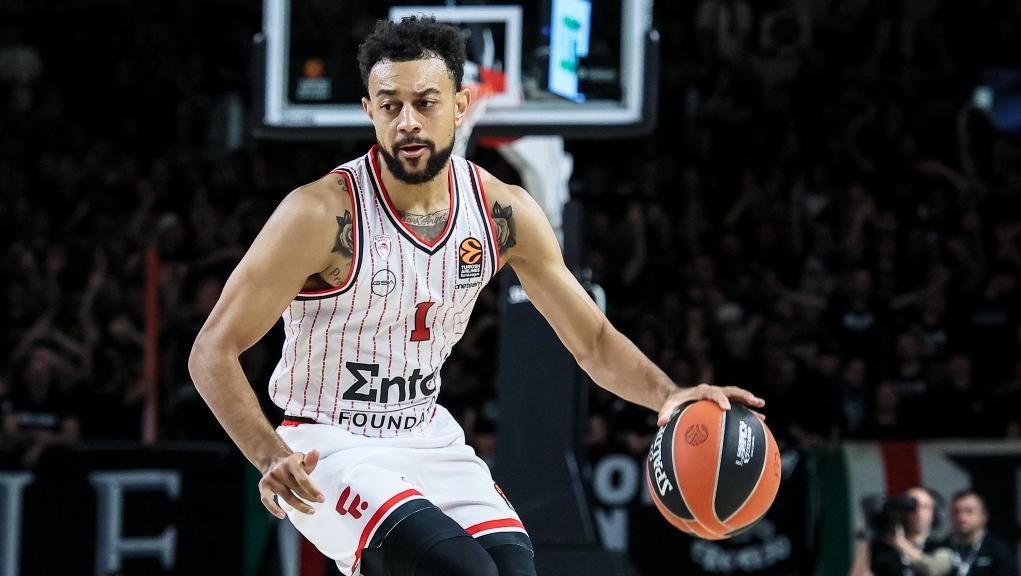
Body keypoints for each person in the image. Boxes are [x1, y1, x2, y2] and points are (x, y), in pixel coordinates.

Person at [188, 16, 765, 576]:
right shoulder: (318, 214)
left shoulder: (501, 211)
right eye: (390, 106)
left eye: (426, 102)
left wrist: (669, 396)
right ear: (369, 111)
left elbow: (591, 340)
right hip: (327, 447)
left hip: (427, 435)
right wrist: (268, 454)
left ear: (462, 106)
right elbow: (211, 350)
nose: (407, 122)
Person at [856, 486, 954, 576]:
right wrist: (868, 536)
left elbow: (933, 569)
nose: (918, 512)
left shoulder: (941, 546)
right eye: (911, 507)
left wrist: (899, 543)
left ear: (934, 513)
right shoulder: (882, 549)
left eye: (925, 507)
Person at [942, 491, 1017, 576]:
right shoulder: (941, 547)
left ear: (984, 516)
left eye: (969, 511)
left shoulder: (998, 550)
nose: (961, 517)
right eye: (956, 512)